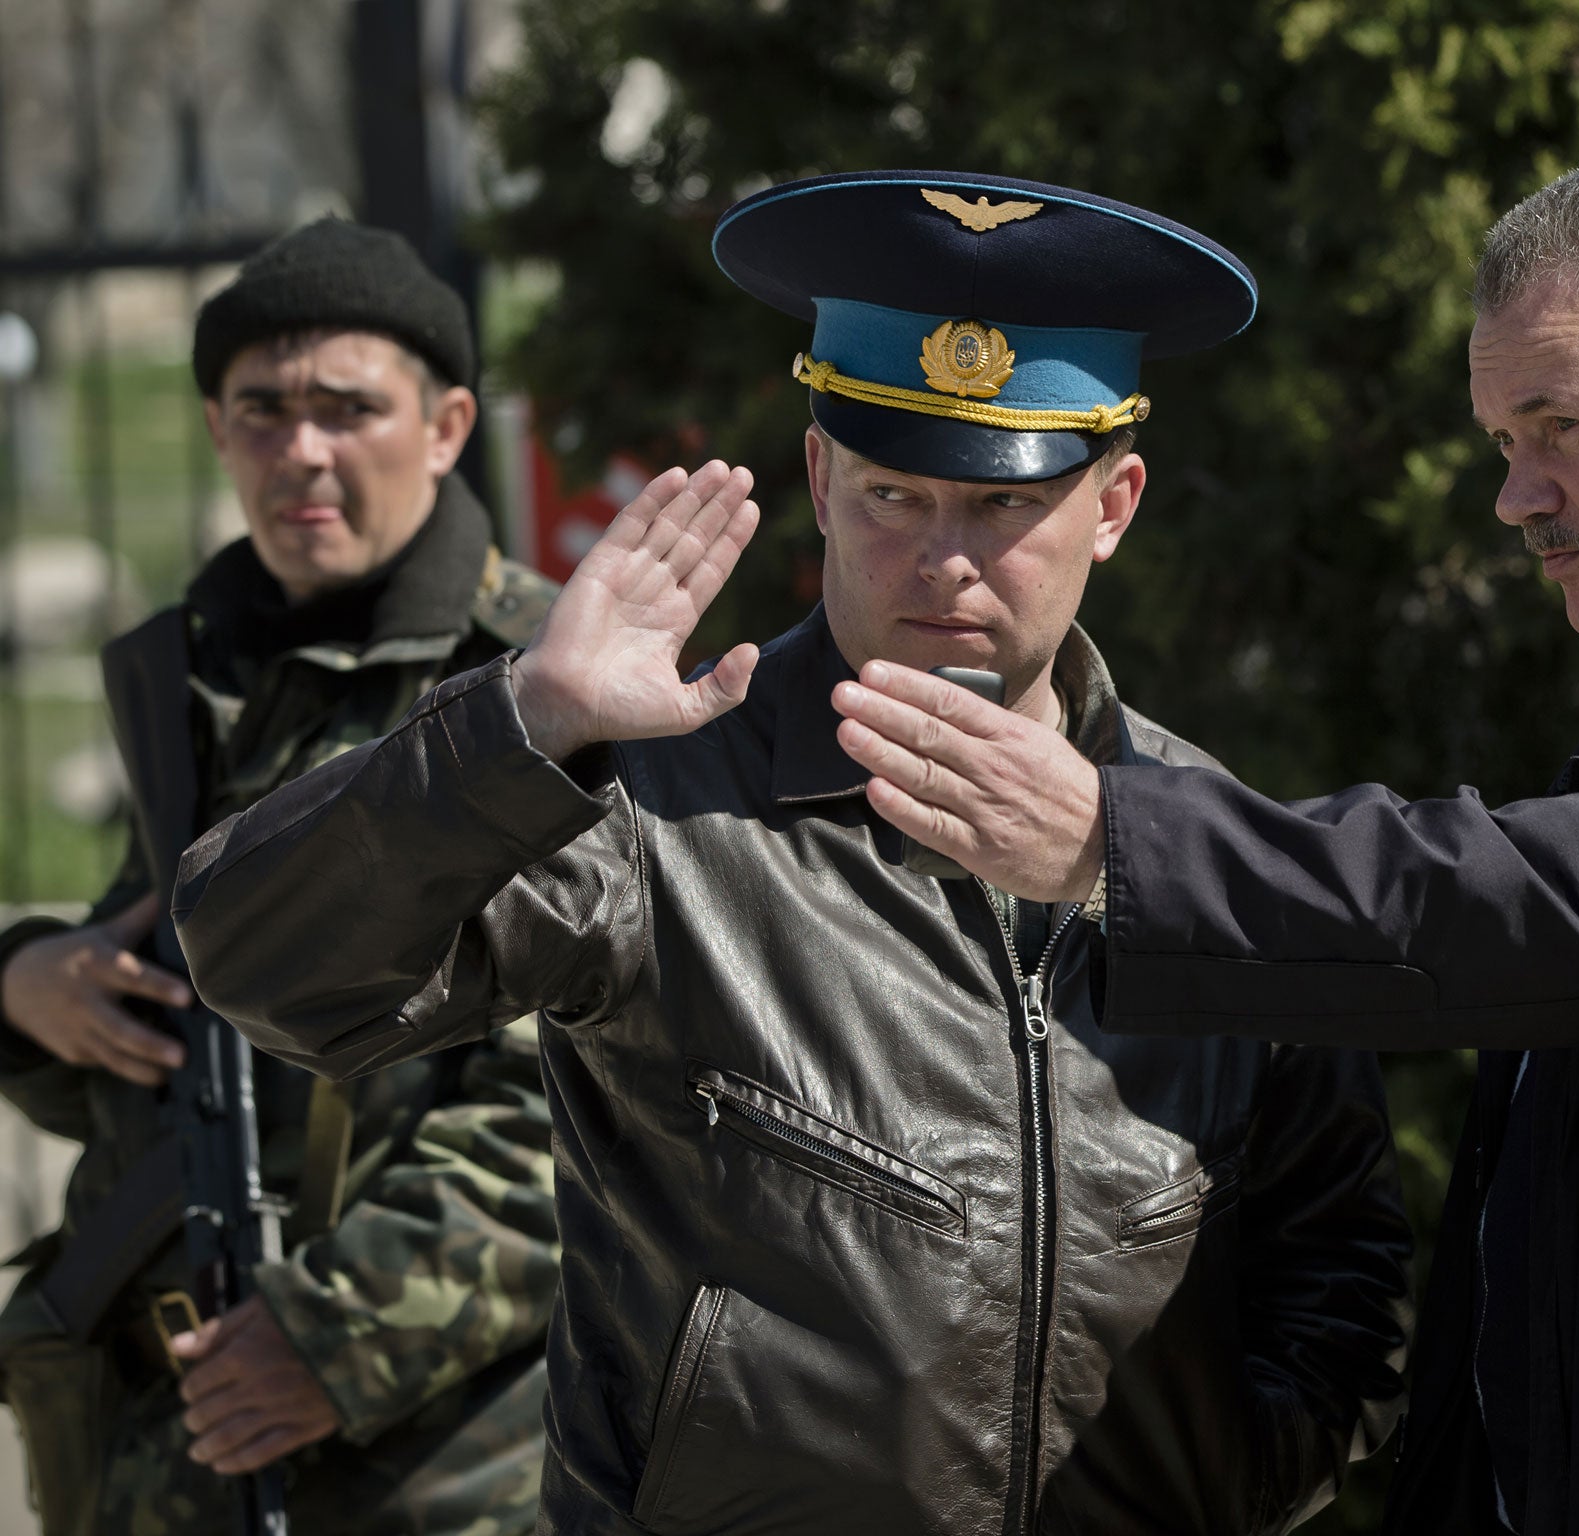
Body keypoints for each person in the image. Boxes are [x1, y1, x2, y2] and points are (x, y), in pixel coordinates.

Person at [827, 146, 1579, 1535]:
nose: (1515, 500)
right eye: (1502, 444)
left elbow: (1557, 908)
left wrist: (1120, 842)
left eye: (1561, 426)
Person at [170, 171, 1414, 1534]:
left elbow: (1344, 1273)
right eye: (894, 493)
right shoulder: (661, 809)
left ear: (1111, 506)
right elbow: (267, 967)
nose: (944, 559)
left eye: (1004, 507)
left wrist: (1207, 1489)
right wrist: (523, 725)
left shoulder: (1201, 842)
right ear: (820, 477)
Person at [0, 218, 560, 1535]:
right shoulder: (204, 679)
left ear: (446, 425)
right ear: (214, 428)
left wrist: (332, 1341)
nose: (300, 451)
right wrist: (32, 984)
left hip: (424, 1462)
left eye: (346, 409)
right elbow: (162, 1033)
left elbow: (586, 1103)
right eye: (262, 411)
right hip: (153, 1445)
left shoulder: (540, 692)